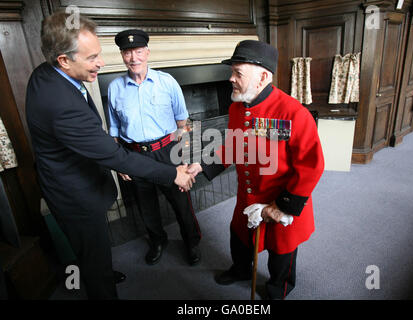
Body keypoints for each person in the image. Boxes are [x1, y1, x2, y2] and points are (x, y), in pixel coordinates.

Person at [25, 12, 194, 300]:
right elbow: (113, 147)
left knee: (96, 252)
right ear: (64, 60)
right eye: (92, 58)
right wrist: (169, 172)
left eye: (99, 55)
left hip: (158, 153)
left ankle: (102, 269)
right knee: (93, 257)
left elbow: (183, 124)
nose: (101, 63)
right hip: (77, 194)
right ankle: (100, 279)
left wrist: (179, 158)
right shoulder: (63, 102)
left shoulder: (48, 74)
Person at [187, 40, 325, 299]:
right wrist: (203, 164)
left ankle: (278, 288)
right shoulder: (237, 108)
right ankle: (240, 270)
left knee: (281, 250)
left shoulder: (294, 113)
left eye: (238, 73)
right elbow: (234, 145)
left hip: (280, 197)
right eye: (232, 72)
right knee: (238, 235)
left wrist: (282, 205)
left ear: (262, 76)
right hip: (248, 194)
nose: (231, 79)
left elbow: (311, 165)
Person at [107, 29, 202, 266]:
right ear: (121, 55)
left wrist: (184, 158)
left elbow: (183, 124)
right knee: (146, 206)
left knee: (181, 203)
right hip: (135, 155)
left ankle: (191, 241)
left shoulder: (167, 82)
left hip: (168, 151)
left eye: (138, 51)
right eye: (127, 53)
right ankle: (158, 241)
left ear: (147, 52)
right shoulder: (114, 88)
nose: (133, 58)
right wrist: (120, 163)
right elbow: (114, 132)